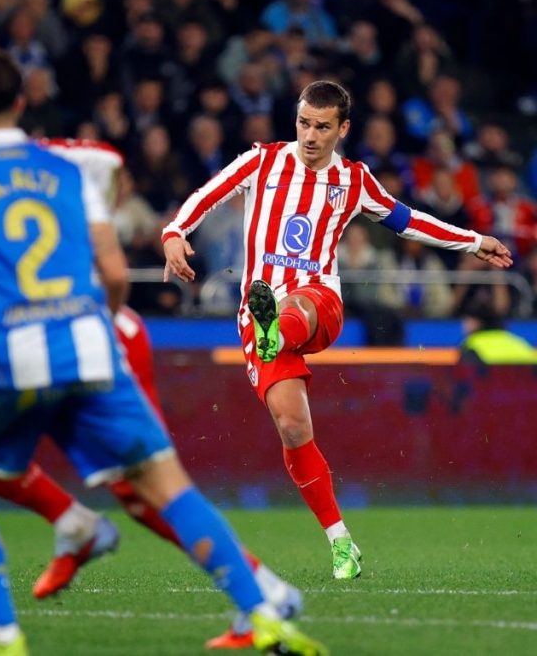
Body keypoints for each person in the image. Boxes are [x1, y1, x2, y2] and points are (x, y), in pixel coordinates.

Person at [0, 49, 326, 656]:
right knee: (169, 488)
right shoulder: (68, 168)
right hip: (94, 348)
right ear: (21, 103)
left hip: (15, 359)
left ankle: (3, 634)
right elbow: (116, 271)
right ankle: (266, 613)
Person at [162, 80, 513, 580]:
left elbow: (408, 220)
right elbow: (206, 194)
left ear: (342, 129)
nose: (309, 135)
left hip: (316, 302)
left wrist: (473, 240)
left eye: (322, 127)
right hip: (259, 308)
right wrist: (174, 233)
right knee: (293, 426)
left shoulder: (354, 180)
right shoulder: (261, 161)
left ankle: (275, 329)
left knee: (298, 306)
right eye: (304, 123)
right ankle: (341, 542)